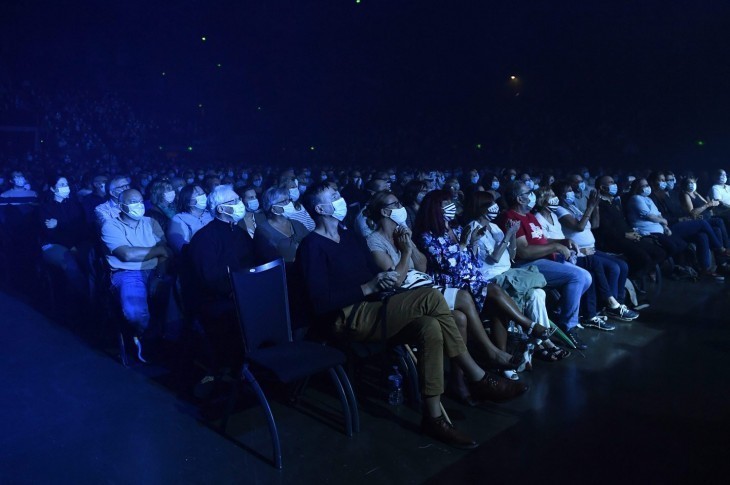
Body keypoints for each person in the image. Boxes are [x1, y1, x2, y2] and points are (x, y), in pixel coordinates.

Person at [297, 182, 528, 449]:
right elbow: (319, 302)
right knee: (432, 297)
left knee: (429, 326)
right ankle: (478, 373)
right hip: (346, 318)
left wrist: (380, 281)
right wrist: (370, 286)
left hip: (375, 306)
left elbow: (377, 275)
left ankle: (434, 418)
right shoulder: (311, 246)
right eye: (334, 196)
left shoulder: (348, 237)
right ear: (320, 208)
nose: (340, 198)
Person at [365, 191, 527, 393]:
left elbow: (422, 266)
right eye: (396, 204)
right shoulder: (374, 241)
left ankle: (459, 382)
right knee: (466, 296)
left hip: (422, 286)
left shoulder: (403, 232)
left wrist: (409, 245)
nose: (401, 207)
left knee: (459, 318)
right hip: (403, 297)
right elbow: (396, 280)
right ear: (385, 211)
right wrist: (407, 252)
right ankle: (491, 352)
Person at [414, 190, 549, 366]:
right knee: (493, 289)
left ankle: (503, 357)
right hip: (451, 282)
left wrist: (473, 244)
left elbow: (472, 261)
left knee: (496, 305)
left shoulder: (456, 228)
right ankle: (527, 326)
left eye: (451, 202)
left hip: (470, 277)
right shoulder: (428, 236)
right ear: (435, 209)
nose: (451, 206)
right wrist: (463, 244)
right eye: (445, 204)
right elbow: (450, 266)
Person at [464, 190, 569, 362]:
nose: (495, 207)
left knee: (538, 293)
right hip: (492, 277)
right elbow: (494, 257)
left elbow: (512, 254)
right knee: (532, 283)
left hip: (509, 271)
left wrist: (512, 234)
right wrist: (508, 235)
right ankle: (541, 341)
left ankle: (537, 342)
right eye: (491, 204)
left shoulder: (495, 227)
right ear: (481, 207)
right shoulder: (472, 228)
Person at [187, 185, 278, 375]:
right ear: (221, 209)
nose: (240, 204)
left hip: (245, 291)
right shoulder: (204, 238)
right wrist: (238, 291)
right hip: (221, 298)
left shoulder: (240, 232)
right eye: (235, 201)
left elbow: (255, 261)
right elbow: (210, 278)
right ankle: (238, 371)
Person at [499, 181, 592, 350]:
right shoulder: (511, 217)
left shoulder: (530, 216)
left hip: (543, 259)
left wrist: (563, 241)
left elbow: (542, 240)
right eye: (529, 192)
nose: (532, 195)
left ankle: (560, 313)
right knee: (577, 276)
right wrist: (555, 247)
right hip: (527, 264)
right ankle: (568, 326)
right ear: (520, 199)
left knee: (585, 277)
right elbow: (523, 252)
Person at [101, 188, 173, 362]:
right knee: (135, 311)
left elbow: (166, 253)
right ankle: (144, 338)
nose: (139, 205)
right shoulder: (110, 225)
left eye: (140, 201)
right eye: (133, 202)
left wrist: (159, 276)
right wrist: (157, 250)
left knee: (179, 296)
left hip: (155, 271)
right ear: (121, 205)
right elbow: (126, 255)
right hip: (127, 273)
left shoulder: (151, 222)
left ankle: (168, 339)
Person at [552, 181, 639, 323]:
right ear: (560, 194)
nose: (571, 193)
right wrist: (590, 207)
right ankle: (610, 304)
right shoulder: (560, 210)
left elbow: (595, 224)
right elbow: (578, 227)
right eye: (568, 190)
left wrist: (595, 206)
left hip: (591, 249)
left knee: (622, 265)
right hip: (580, 251)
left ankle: (618, 302)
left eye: (571, 190)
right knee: (613, 267)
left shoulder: (573, 207)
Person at [648, 172, 727, 277]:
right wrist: (679, 219)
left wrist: (686, 217)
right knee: (703, 223)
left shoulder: (672, 194)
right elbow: (659, 217)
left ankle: (705, 268)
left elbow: (681, 210)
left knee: (702, 235)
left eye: (669, 180)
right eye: (663, 180)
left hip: (681, 222)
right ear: (653, 182)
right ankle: (721, 249)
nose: (666, 182)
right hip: (669, 227)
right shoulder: (653, 197)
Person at [592, 175, 667, 282]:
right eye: (611, 183)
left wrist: (632, 232)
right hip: (613, 240)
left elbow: (622, 222)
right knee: (643, 257)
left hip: (627, 236)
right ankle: (629, 281)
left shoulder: (614, 202)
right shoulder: (598, 205)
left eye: (614, 182)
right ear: (602, 188)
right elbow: (604, 229)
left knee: (659, 253)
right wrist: (625, 235)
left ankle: (635, 277)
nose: (614, 185)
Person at [39, 175, 89, 308]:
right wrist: (69, 243)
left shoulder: (76, 205)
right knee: (70, 263)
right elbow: (50, 233)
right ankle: (85, 299)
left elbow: (80, 227)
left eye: (66, 184)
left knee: (91, 260)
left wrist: (59, 224)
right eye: (61, 185)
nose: (65, 187)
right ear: (52, 188)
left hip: (75, 242)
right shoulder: (45, 207)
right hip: (53, 244)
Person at [256, 186, 310, 263]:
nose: (289, 203)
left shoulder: (297, 224)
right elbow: (266, 258)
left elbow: (311, 244)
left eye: (288, 200)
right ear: (273, 208)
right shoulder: (263, 230)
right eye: (284, 201)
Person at [679, 176, 730, 249]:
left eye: (693, 182)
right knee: (719, 221)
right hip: (701, 220)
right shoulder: (686, 195)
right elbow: (692, 213)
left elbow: (708, 205)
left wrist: (713, 204)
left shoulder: (696, 193)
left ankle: (721, 257)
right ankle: (727, 248)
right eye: (689, 183)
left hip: (708, 217)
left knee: (718, 228)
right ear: (685, 184)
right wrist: (708, 205)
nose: (692, 184)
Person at [166, 184, 213, 255]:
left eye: (203, 193)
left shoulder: (210, 214)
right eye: (198, 194)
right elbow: (181, 247)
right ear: (188, 201)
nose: (202, 196)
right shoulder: (179, 219)